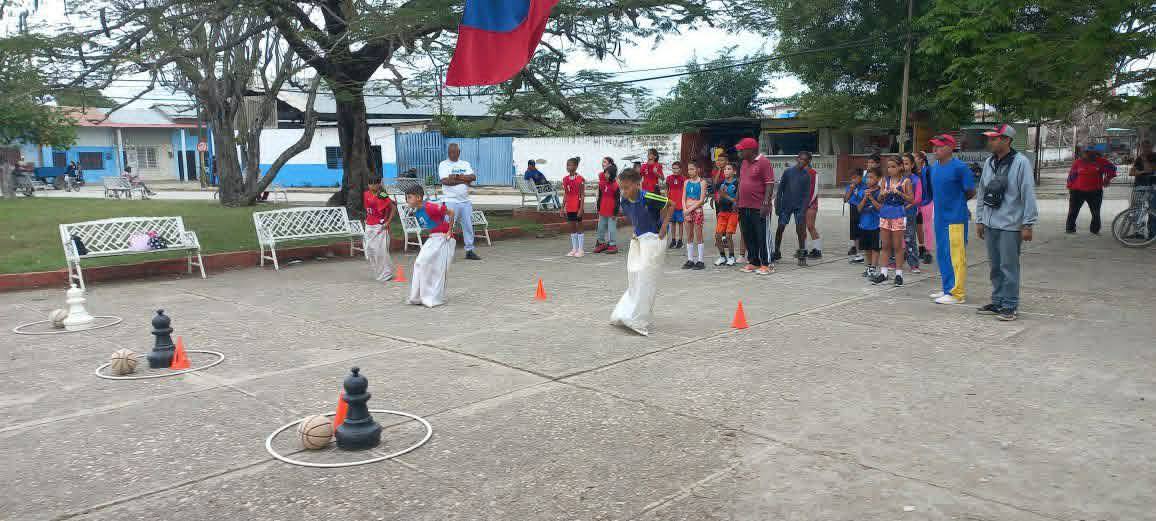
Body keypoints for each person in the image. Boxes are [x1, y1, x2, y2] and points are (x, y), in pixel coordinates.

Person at [976, 124, 1038, 321]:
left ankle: (1010, 305)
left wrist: (1028, 224)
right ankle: (998, 300)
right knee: (995, 265)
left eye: (995, 138)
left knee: (1008, 265)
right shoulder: (989, 162)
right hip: (991, 222)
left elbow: (1028, 193)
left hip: (1011, 224)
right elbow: (982, 192)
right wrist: (980, 219)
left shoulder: (1021, 163)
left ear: (1007, 140)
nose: (991, 141)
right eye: (990, 138)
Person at [610, 167, 674, 336]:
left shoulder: (648, 196)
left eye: (627, 187)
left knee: (646, 278)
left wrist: (664, 226)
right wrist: (635, 231)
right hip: (639, 239)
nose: (624, 191)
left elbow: (671, 204)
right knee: (634, 276)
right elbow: (636, 217)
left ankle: (639, 319)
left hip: (654, 239)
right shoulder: (624, 201)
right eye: (621, 188)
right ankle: (628, 312)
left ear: (638, 185)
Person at [927, 134, 975, 304]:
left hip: (955, 218)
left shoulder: (960, 168)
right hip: (939, 217)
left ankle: (957, 293)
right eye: (934, 146)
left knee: (955, 255)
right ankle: (948, 287)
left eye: (939, 146)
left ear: (950, 148)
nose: (935, 150)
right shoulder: (934, 168)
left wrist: (958, 204)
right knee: (943, 254)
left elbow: (970, 191)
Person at [405, 184, 456, 308]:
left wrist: (450, 231)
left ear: (418, 197)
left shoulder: (430, 207)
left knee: (438, 268)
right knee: (420, 263)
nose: (407, 200)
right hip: (433, 238)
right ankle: (417, 296)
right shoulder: (417, 212)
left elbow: (451, 212)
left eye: (409, 197)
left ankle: (433, 297)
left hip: (443, 238)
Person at [735, 137, 775, 274]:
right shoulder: (744, 163)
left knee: (762, 235)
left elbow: (770, 184)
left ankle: (766, 263)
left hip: (759, 207)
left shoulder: (764, 162)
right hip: (744, 205)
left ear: (750, 150)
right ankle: (753, 261)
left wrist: (766, 203)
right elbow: (741, 182)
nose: (739, 153)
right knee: (748, 235)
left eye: (741, 150)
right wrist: (737, 200)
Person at [438, 143, 482, 260]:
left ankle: (469, 250)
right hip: (450, 201)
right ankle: (444, 251)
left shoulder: (465, 163)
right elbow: (444, 181)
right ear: (448, 152)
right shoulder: (444, 164)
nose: (452, 154)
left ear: (459, 152)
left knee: (468, 226)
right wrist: (463, 180)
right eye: (450, 152)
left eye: (455, 152)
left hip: (465, 201)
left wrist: (456, 177)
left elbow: (473, 177)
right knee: (448, 226)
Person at [874, 156, 912, 286]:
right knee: (885, 245)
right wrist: (882, 194)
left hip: (898, 215)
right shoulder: (885, 180)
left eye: (893, 167)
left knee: (898, 246)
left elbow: (911, 200)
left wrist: (899, 193)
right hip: (885, 214)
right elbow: (879, 198)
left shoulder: (906, 181)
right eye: (888, 167)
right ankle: (884, 273)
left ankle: (898, 274)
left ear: (901, 167)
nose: (890, 169)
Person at [1065, 145, 1117, 234]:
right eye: (1086, 153)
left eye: (1091, 153)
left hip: (1095, 191)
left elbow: (1112, 169)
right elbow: (1072, 175)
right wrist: (1070, 187)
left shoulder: (1101, 162)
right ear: (1083, 153)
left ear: (1095, 154)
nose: (1088, 155)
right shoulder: (1078, 162)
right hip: (1077, 191)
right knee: (1073, 210)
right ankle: (1070, 228)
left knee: (1095, 212)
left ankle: (1095, 229)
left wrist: (1107, 178)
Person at [774, 151, 813, 267]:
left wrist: (804, 209)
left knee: (800, 231)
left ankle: (802, 254)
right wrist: (777, 205)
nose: (802, 161)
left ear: (808, 162)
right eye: (801, 159)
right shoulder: (788, 172)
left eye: (805, 160)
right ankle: (776, 251)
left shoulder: (807, 175)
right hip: (786, 206)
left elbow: (807, 195)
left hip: (799, 207)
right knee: (780, 227)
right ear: (797, 159)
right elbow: (780, 189)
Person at [363, 178, 396, 281]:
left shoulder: (382, 195)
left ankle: (386, 273)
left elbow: (393, 208)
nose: (372, 186)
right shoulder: (366, 194)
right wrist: (366, 218)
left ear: (378, 184)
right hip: (369, 225)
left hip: (380, 226)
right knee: (370, 250)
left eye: (374, 184)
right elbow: (368, 209)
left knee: (381, 250)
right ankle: (379, 271)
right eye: (370, 183)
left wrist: (388, 222)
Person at [855, 167, 884, 279]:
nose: (868, 180)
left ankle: (873, 267)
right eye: (867, 177)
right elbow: (859, 209)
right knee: (867, 248)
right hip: (864, 224)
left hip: (876, 225)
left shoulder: (880, 192)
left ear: (878, 178)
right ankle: (868, 267)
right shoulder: (863, 191)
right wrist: (864, 198)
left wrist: (871, 198)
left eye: (871, 177)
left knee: (875, 248)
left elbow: (880, 208)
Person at [682, 162, 708, 269]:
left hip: (697, 211)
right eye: (689, 169)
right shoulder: (686, 182)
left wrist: (690, 209)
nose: (690, 171)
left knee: (699, 235)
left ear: (697, 169)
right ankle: (690, 259)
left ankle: (700, 260)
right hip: (687, 210)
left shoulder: (702, 182)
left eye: (692, 169)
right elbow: (683, 197)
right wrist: (685, 209)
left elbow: (701, 200)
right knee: (689, 235)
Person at [713, 162, 740, 266]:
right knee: (718, 236)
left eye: (728, 169)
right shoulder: (721, 183)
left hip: (732, 212)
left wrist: (726, 196)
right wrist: (719, 197)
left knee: (728, 235)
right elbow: (716, 189)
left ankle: (732, 256)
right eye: (724, 169)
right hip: (722, 212)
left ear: (734, 171)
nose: (726, 171)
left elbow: (736, 200)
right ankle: (722, 256)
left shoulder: (737, 183)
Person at [900, 153, 923, 274]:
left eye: (906, 163)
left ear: (912, 165)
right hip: (896, 214)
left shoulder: (916, 179)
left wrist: (907, 206)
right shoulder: (897, 179)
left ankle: (913, 263)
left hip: (910, 213)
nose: (904, 166)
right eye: (902, 163)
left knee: (910, 238)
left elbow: (918, 199)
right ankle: (894, 261)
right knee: (896, 238)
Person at [560, 157, 587, 257]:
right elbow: (566, 194)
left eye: (570, 165)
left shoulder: (580, 179)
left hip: (577, 204)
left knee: (579, 225)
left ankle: (581, 249)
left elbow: (582, 195)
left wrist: (581, 208)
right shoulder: (565, 179)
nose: (568, 167)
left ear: (576, 166)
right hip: (570, 205)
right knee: (571, 226)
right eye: (567, 165)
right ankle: (574, 248)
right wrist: (562, 207)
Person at [1130, 140, 1156, 239]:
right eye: (1143, 147)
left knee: (1152, 210)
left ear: (1151, 147)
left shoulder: (1154, 156)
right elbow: (1131, 172)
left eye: (1147, 147)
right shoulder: (1139, 158)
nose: (1145, 149)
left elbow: (1151, 169)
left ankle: (1152, 234)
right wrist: (1142, 171)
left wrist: (1144, 162)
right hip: (1139, 186)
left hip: (1152, 188)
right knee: (1137, 210)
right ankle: (1138, 233)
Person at [594, 157, 620, 254]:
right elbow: (600, 196)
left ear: (612, 175)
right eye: (605, 173)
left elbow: (617, 200)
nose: (605, 175)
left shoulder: (615, 186)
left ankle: (612, 244)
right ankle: (601, 243)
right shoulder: (602, 184)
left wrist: (615, 212)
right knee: (601, 227)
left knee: (611, 229)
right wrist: (598, 206)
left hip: (611, 211)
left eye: (608, 173)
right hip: (603, 210)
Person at [915, 150, 935, 264]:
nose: (914, 159)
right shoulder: (913, 171)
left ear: (921, 160)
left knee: (927, 226)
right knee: (917, 226)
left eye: (915, 157)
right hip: (916, 202)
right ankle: (921, 247)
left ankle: (928, 251)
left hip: (927, 201)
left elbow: (932, 185)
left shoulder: (928, 170)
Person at [802, 154, 822, 259]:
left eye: (803, 159)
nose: (801, 160)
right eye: (799, 158)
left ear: (809, 160)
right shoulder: (799, 172)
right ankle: (803, 249)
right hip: (801, 205)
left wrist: (808, 203)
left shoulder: (813, 172)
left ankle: (817, 250)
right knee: (801, 228)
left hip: (811, 204)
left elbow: (815, 190)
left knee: (810, 226)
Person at [843, 169, 865, 263]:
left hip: (862, 209)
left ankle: (864, 252)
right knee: (855, 232)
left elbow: (863, 197)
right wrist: (851, 189)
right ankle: (858, 253)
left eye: (856, 178)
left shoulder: (864, 186)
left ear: (861, 177)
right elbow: (846, 199)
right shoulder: (850, 187)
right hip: (853, 209)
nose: (853, 180)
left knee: (863, 230)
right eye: (852, 178)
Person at [665, 161, 686, 249]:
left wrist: (685, 203)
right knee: (672, 223)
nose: (675, 170)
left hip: (680, 204)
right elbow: (667, 189)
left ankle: (680, 240)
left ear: (680, 169)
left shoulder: (683, 179)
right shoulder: (669, 178)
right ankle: (673, 240)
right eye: (673, 168)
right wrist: (667, 200)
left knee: (680, 223)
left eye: (677, 168)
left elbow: (685, 191)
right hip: (671, 204)